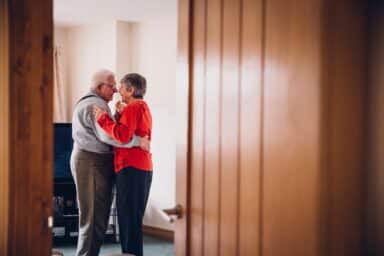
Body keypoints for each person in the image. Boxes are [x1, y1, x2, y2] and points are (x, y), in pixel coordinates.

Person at [70, 69, 149, 256]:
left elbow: (115, 130)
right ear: (99, 87)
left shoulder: (94, 102)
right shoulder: (94, 105)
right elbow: (112, 136)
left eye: (118, 87)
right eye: (112, 86)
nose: (115, 91)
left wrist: (117, 115)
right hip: (91, 163)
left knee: (97, 217)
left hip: (94, 162)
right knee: (93, 218)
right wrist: (139, 141)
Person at [94, 73, 152, 256]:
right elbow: (130, 131)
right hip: (142, 168)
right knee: (133, 220)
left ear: (131, 90)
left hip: (130, 167)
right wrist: (119, 114)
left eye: (121, 87)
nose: (118, 90)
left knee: (128, 220)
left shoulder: (132, 109)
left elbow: (121, 136)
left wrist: (103, 118)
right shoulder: (142, 107)